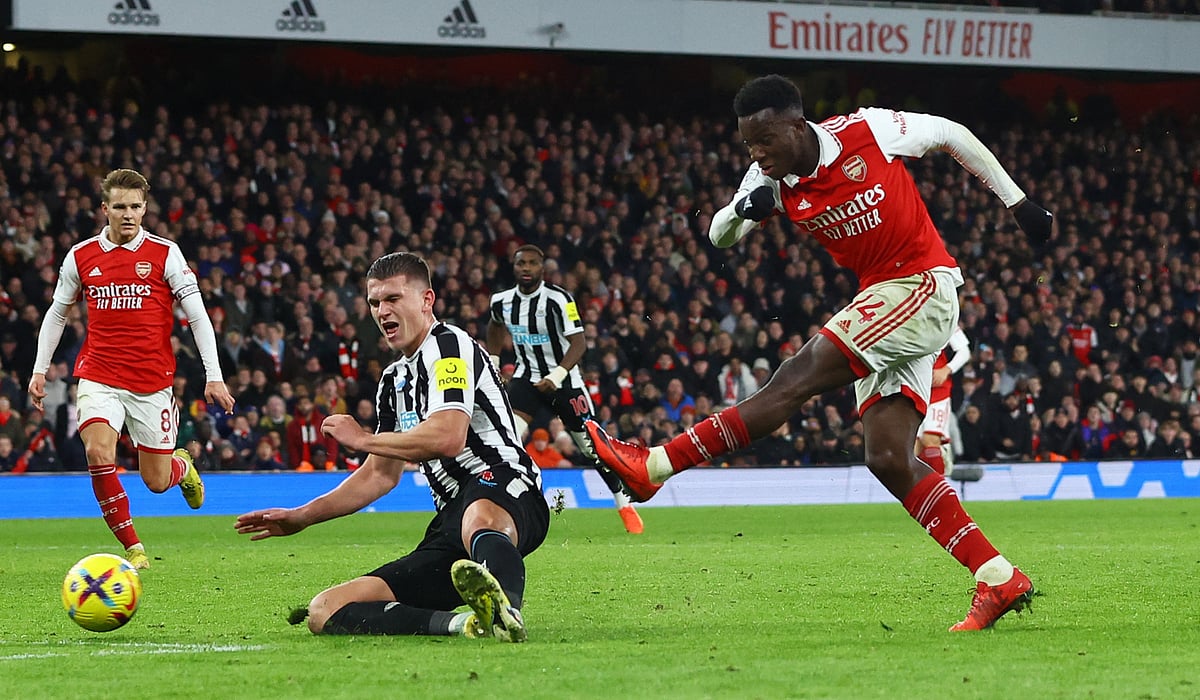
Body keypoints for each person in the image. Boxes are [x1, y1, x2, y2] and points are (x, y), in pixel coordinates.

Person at [585, 75, 1053, 631]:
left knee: (795, 376)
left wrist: (1017, 201)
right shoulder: (768, 177)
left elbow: (950, 134)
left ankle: (655, 467)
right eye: (748, 146)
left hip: (923, 285)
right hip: (881, 296)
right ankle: (997, 576)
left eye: (764, 140)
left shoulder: (867, 130)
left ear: (795, 124)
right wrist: (744, 210)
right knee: (886, 458)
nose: (757, 154)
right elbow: (717, 235)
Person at [236, 252, 548, 642]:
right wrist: (302, 517)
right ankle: (468, 625)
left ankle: (508, 613)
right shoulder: (393, 380)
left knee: (477, 517)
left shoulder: (449, 347)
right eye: (374, 302)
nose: (382, 311)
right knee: (325, 610)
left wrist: (363, 438)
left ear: (426, 300)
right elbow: (378, 475)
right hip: (452, 521)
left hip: (506, 488)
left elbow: (449, 437)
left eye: (393, 299)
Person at [27, 168, 235, 569]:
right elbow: (57, 315)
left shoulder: (165, 253)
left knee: (156, 482)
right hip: (98, 374)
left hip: (152, 382)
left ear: (145, 208)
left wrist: (214, 375)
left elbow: (198, 317)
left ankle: (182, 466)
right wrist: (40, 369)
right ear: (105, 208)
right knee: (97, 451)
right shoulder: (81, 256)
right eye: (119, 206)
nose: (128, 214)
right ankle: (134, 549)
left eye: (135, 207)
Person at [487, 244, 643, 534]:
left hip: (565, 382)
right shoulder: (502, 301)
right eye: (521, 263)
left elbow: (579, 342)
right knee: (506, 437)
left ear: (542, 267)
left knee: (591, 448)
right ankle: (511, 500)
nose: (526, 268)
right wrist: (495, 360)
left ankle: (623, 501)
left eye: (532, 263)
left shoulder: (559, 299)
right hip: (526, 379)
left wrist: (557, 376)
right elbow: (494, 327)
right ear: (514, 265)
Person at [918, 327, 970, 476]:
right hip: (913, 389)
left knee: (930, 441)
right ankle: (922, 495)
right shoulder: (905, 317)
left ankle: (939, 493)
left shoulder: (944, 316)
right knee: (914, 449)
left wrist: (946, 369)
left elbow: (964, 351)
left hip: (937, 392)